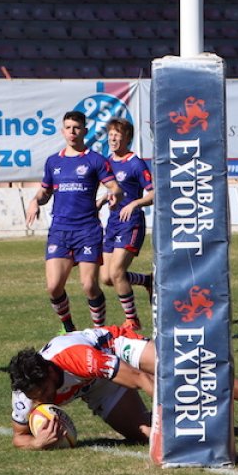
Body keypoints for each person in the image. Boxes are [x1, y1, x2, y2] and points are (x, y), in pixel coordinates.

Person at [7, 324, 238, 449]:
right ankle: (206, 430)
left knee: (182, 371)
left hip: (114, 348)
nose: (42, 401)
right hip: (94, 387)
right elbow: (18, 436)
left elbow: (141, 379)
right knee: (148, 436)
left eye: (43, 393)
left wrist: (175, 408)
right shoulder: (25, 391)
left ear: (48, 371)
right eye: (34, 397)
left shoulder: (77, 359)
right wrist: (37, 443)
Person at [26, 111, 123, 333]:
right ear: (62, 131)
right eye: (68, 127)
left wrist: (115, 194)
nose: (72, 132)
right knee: (53, 287)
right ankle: (68, 327)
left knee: (89, 285)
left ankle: (99, 332)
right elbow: (45, 192)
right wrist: (34, 201)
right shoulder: (54, 161)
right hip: (60, 230)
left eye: (76, 128)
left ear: (84, 131)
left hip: (87, 230)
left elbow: (114, 186)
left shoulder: (95, 160)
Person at [96, 118, 155, 330]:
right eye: (110, 134)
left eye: (117, 134)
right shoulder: (107, 163)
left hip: (131, 223)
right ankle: (147, 281)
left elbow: (154, 192)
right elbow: (113, 189)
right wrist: (104, 199)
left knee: (117, 272)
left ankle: (132, 320)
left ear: (127, 137)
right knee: (106, 278)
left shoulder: (135, 163)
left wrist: (136, 204)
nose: (112, 138)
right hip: (112, 223)